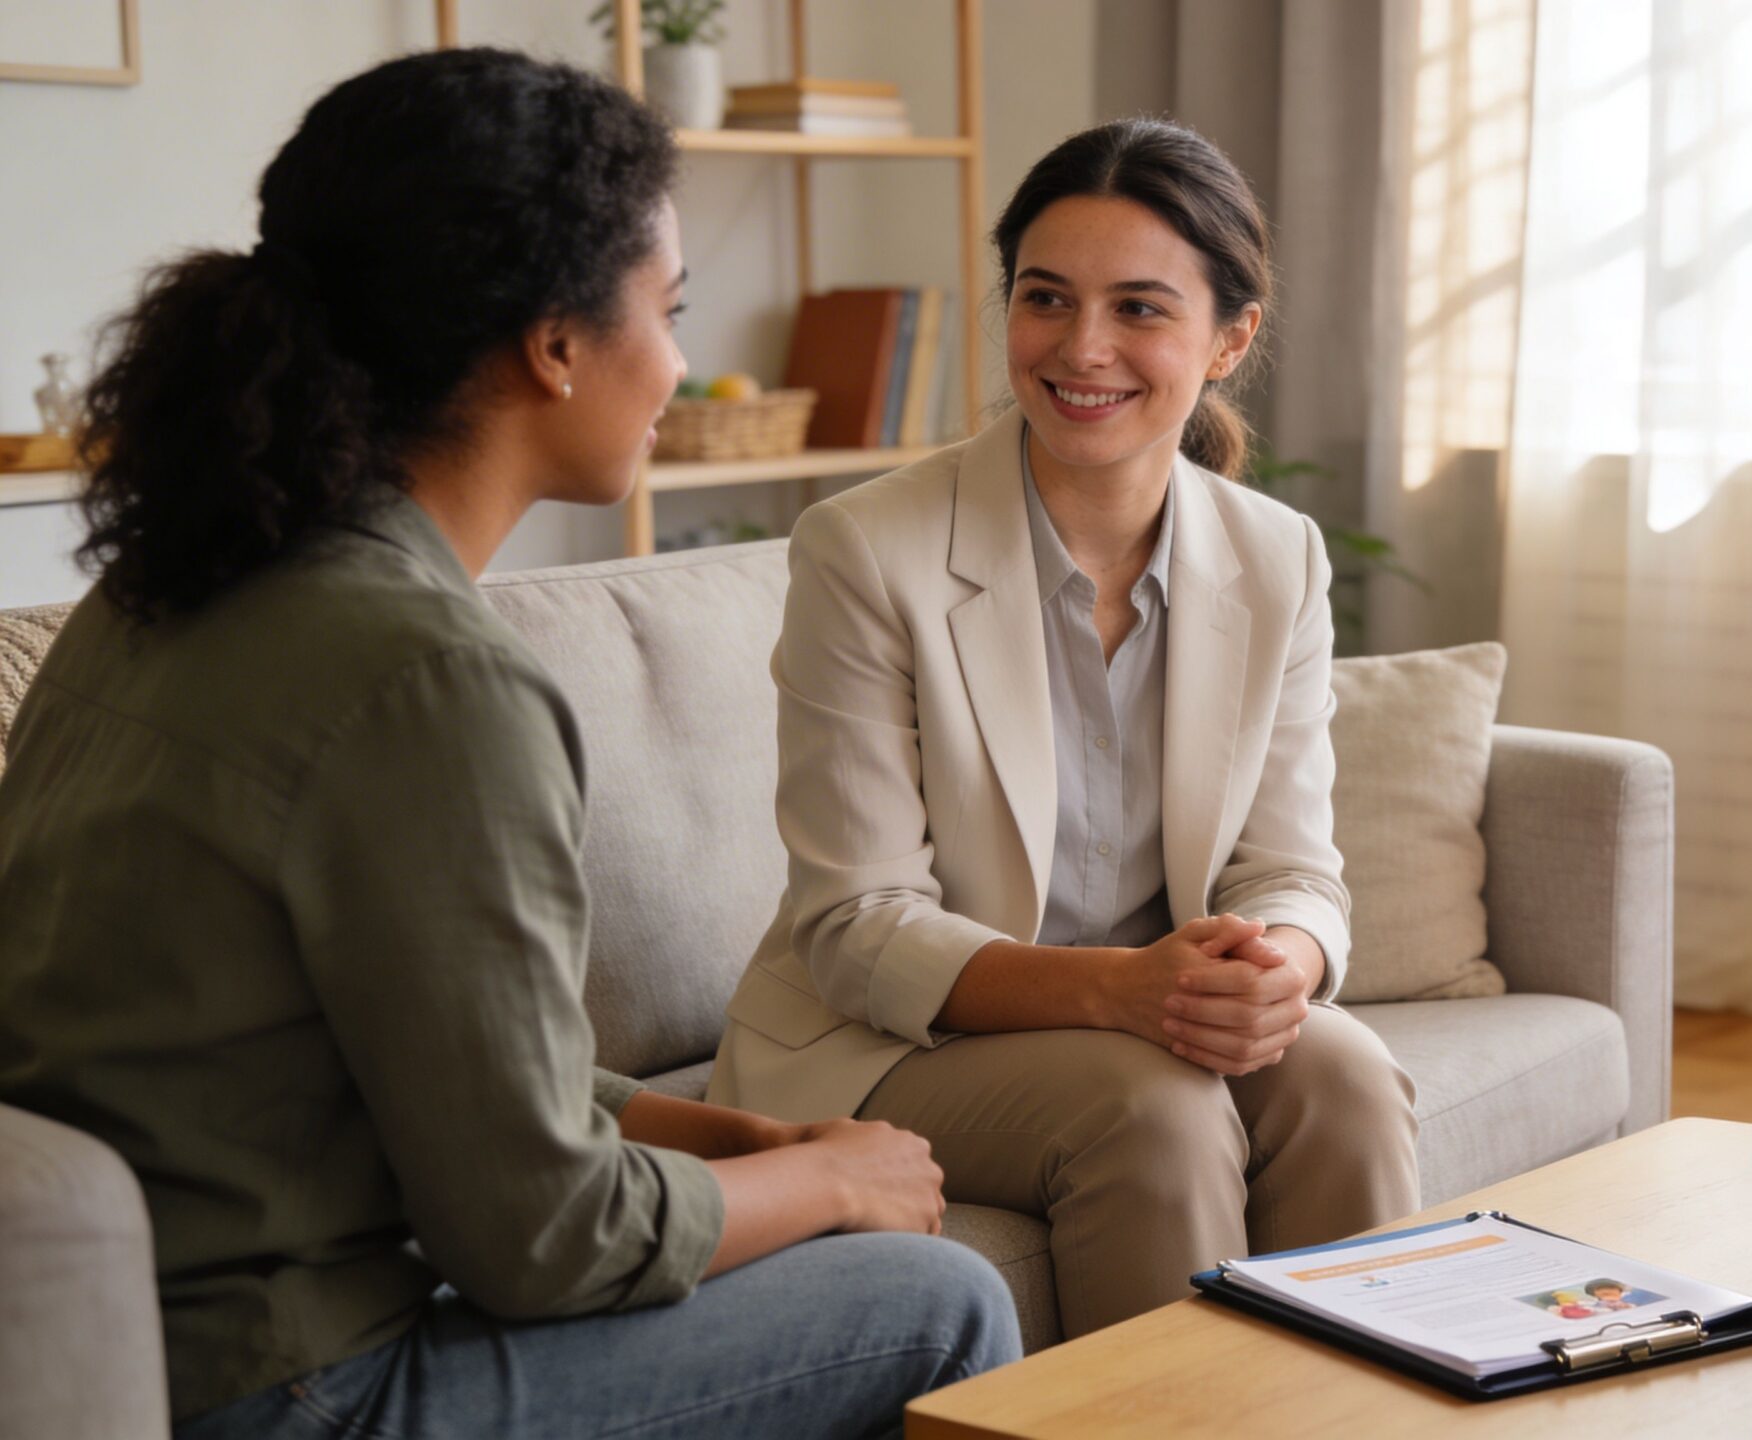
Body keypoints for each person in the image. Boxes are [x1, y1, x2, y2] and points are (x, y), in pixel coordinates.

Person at [0, 49, 1017, 1438]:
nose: (674, 365)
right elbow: (547, 1243)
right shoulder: (429, 681)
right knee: (940, 1298)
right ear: (554, 343)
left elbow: (427, 1059)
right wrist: (836, 1186)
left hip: (141, 1336)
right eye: (668, 311)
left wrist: (744, 1146)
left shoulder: (160, 591)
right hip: (288, 1390)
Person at [706, 117, 1421, 1336]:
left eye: (1141, 308)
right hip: (887, 1039)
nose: (1082, 348)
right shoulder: (867, 548)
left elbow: (1291, 870)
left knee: (1344, 1076)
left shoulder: (1274, 555)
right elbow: (855, 926)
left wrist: (1276, 974)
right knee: (1150, 1106)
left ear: (1230, 338)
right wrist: (1122, 993)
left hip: (1153, 1011)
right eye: (1046, 299)